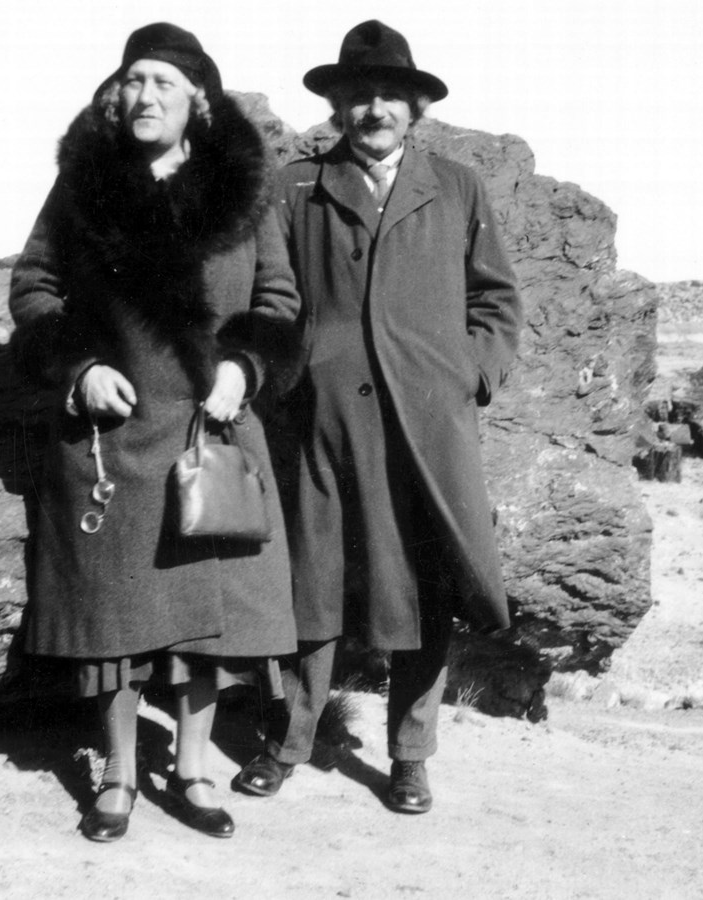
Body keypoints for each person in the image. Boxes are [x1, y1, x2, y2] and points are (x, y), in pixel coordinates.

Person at [8, 22, 299, 842]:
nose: (143, 97)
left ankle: (195, 767)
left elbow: (278, 301)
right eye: (133, 81)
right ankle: (120, 774)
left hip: (211, 435)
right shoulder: (83, 187)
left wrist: (243, 366)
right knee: (118, 623)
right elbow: (35, 288)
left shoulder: (245, 194)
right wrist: (79, 368)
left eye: (163, 84)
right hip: (116, 438)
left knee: (207, 622)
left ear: (197, 103)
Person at [234, 20, 522, 815]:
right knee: (313, 586)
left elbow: (498, 300)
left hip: (427, 429)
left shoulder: (457, 186)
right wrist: (295, 376)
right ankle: (289, 740)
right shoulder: (294, 186)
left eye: (389, 96)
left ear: (415, 107)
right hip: (321, 426)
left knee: (423, 590)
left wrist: (471, 376)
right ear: (335, 104)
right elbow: (275, 296)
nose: (373, 110)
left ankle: (410, 755)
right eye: (357, 96)